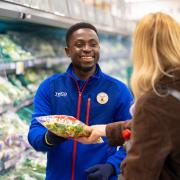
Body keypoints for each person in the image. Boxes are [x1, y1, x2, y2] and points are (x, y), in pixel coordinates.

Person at [76, 12, 180, 180]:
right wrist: (104, 130)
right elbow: (159, 126)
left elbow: (138, 172)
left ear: (142, 50)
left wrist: (116, 168)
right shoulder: (172, 90)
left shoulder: (156, 101)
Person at [28, 22, 133, 180]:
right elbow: (35, 132)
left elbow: (133, 135)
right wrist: (50, 137)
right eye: (79, 44)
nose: (87, 49)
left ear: (99, 48)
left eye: (93, 44)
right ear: (67, 51)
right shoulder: (50, 86)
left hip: (99, 176)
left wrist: (112, 166)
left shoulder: (118, 90)